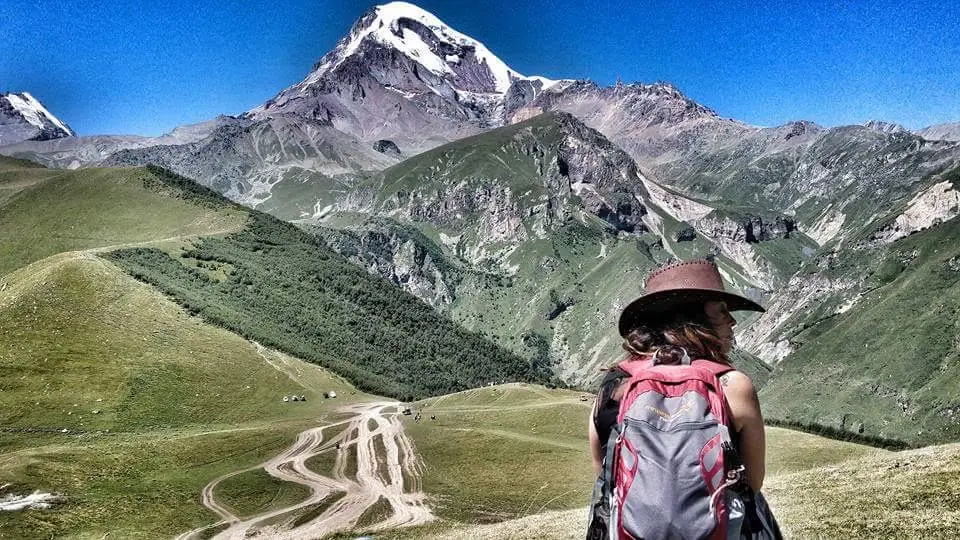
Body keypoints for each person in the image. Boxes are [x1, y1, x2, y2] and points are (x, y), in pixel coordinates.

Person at [587, 258, 780, 539]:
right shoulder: (732, 386)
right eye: (722, 311)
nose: (732, 320)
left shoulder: (614, 386)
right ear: (692, 319)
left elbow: (606, 479)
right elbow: (752, 482)